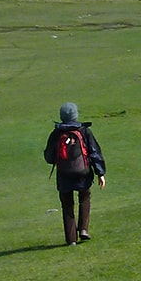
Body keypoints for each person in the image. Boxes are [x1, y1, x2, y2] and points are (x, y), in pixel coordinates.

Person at [44, 102, 105, 245]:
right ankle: (83, 229)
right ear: (75, 115)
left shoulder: (56, 133)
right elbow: (94, 152)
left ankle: (71, 239)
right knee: (84, 197)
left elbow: (49, 157)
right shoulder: (84, 131)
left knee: (67, 205)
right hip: (82, 173)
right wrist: (100, 173)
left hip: (64, 175)